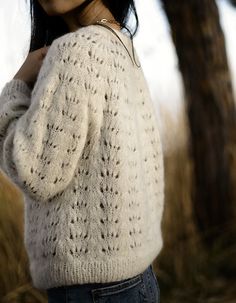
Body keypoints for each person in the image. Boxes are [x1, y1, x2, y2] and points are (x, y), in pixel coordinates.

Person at [0, 0, 165, 302]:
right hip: (137, 280)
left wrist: (15, 87)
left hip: (93, 289)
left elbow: (32, 170)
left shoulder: (75, 51)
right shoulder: (121, 43)